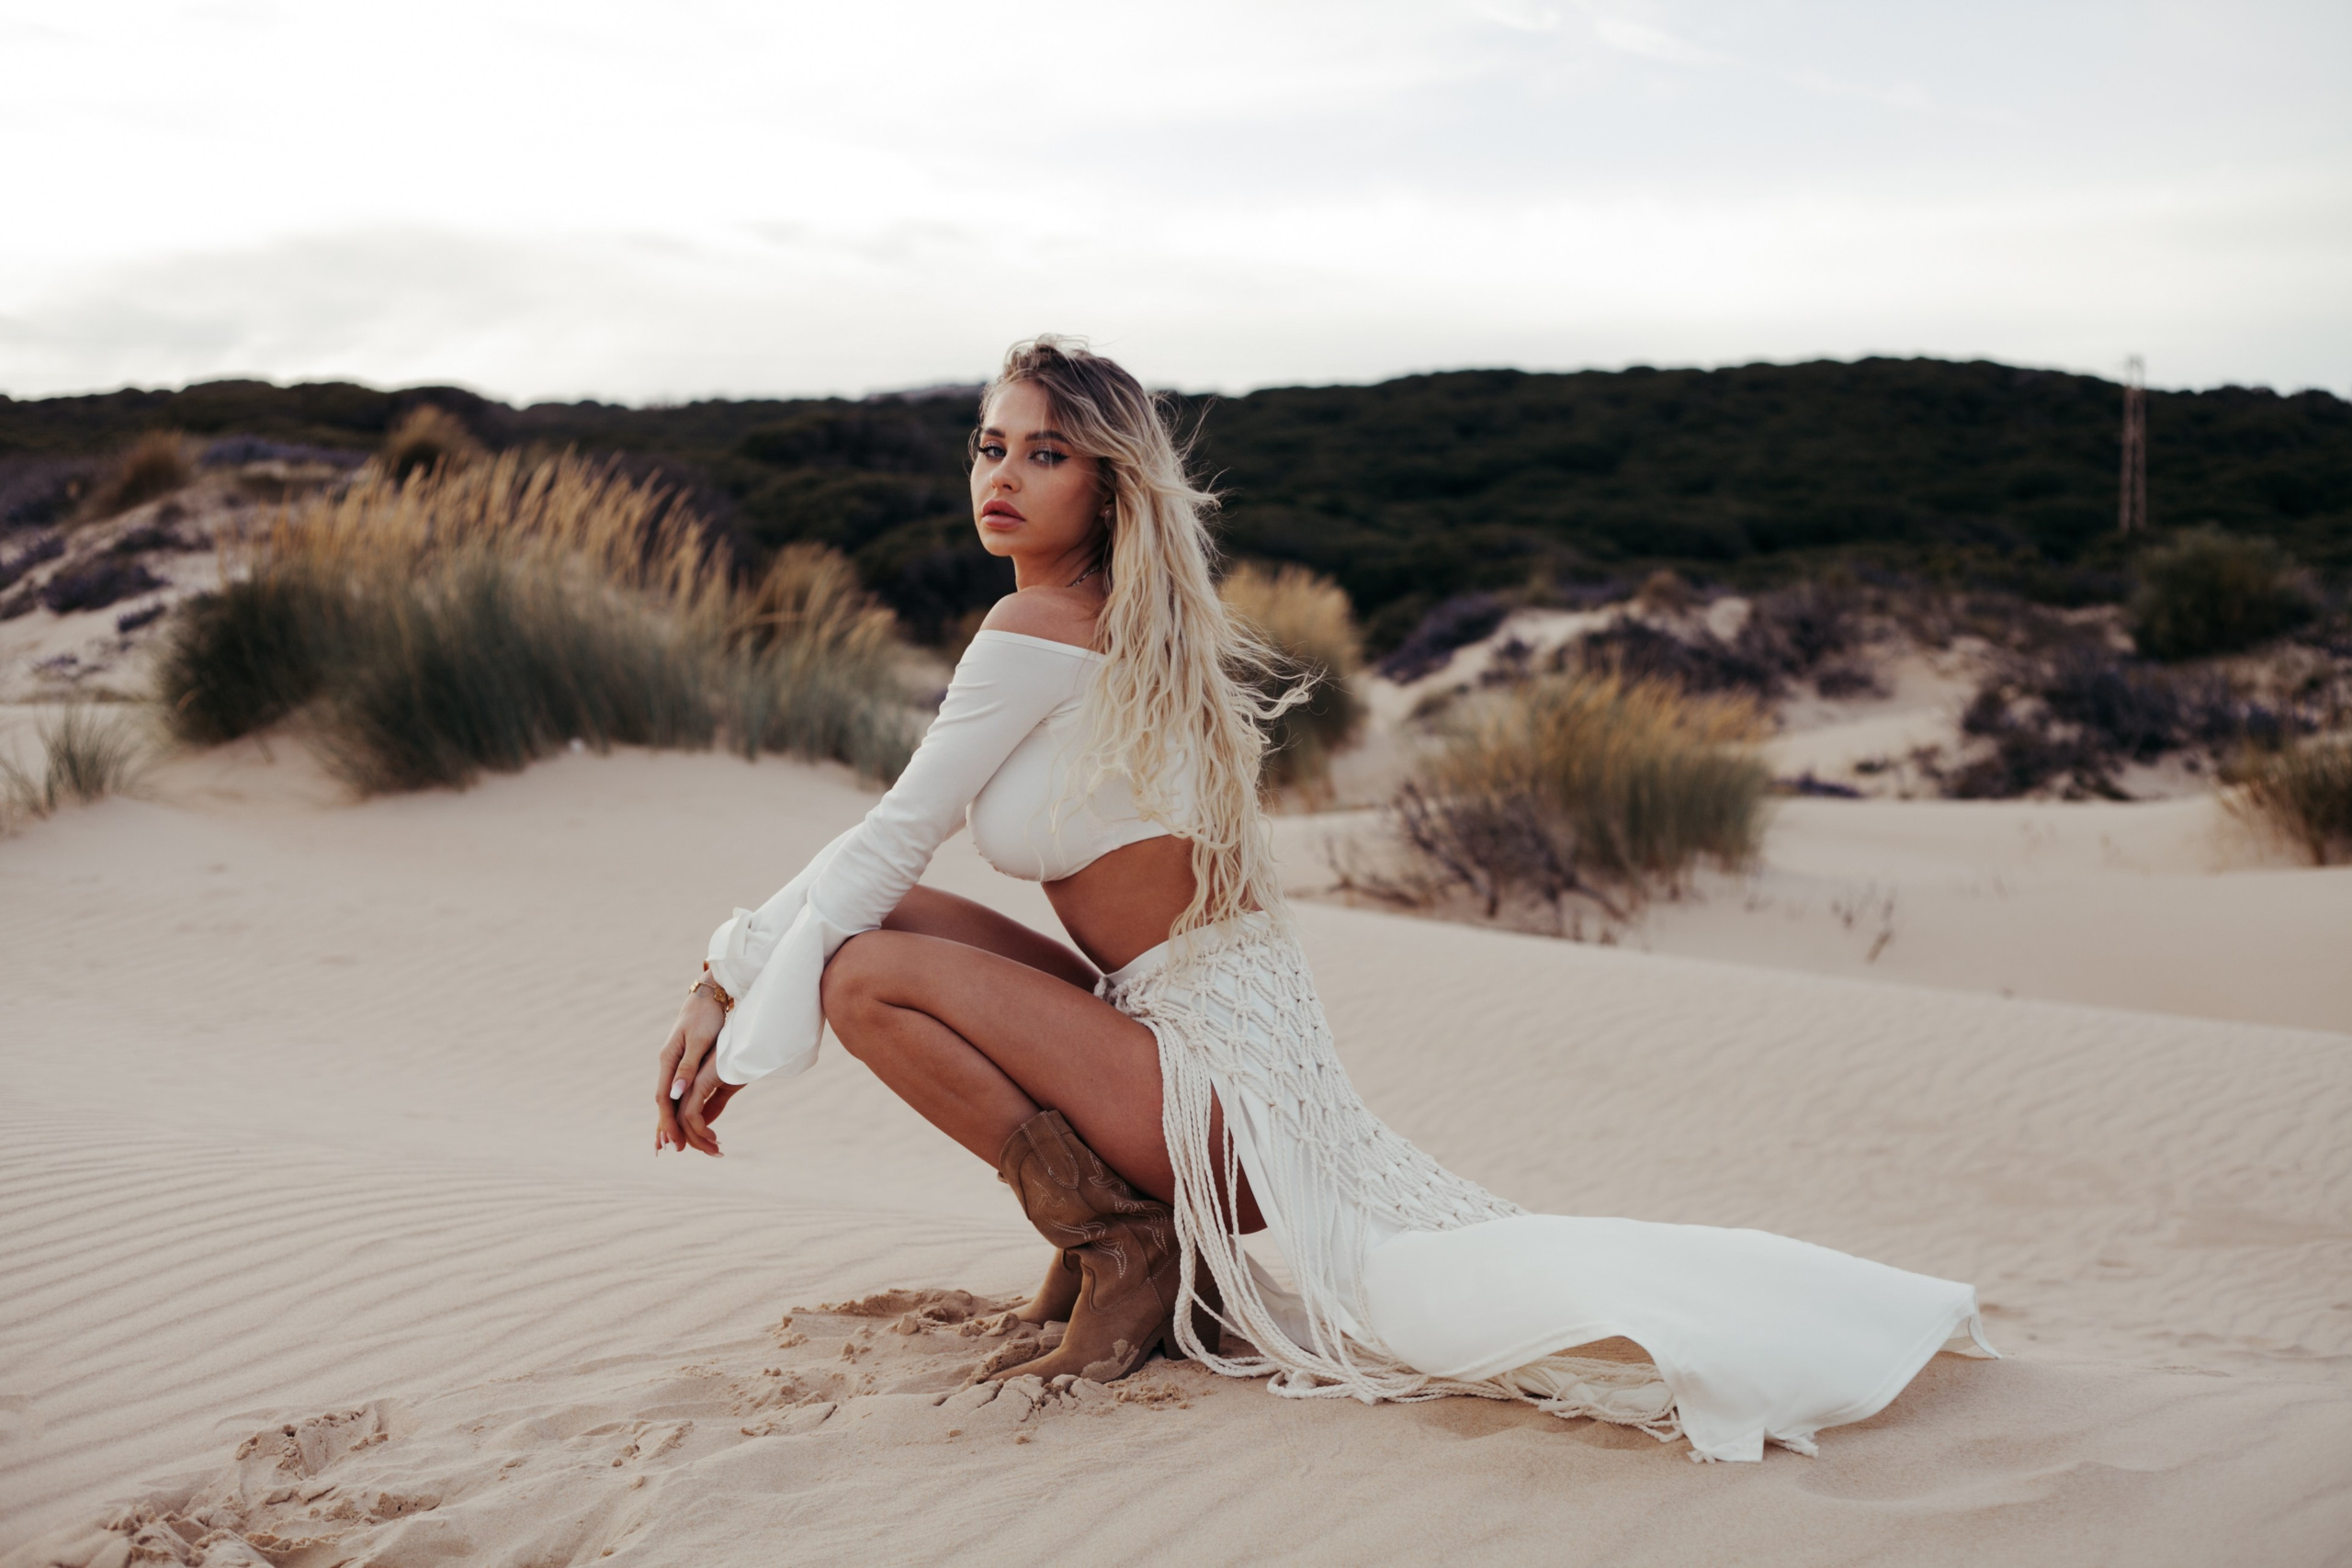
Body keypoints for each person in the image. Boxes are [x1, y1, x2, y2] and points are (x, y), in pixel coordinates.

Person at [653, 336, 1992, 1462]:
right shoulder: (1120, 624)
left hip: (1204, 1098)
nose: (1002, 477)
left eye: (1043, 453)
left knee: (862, 969)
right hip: (1224, 1085)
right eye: (989, 447)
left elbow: (892, 835)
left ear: (1108, 486)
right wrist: (735, 964)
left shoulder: (1037, 633)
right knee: (880, 938)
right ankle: (1117, 1243)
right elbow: (891, 858)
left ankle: (1123, 1251)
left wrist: (730, 980)